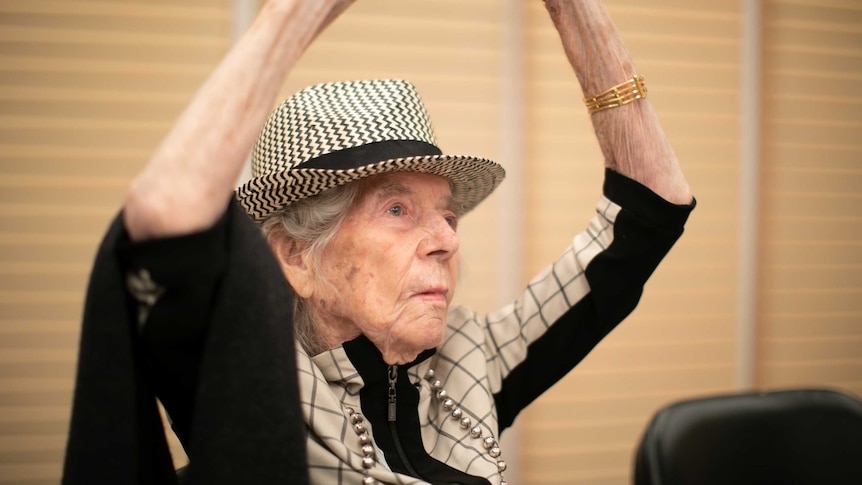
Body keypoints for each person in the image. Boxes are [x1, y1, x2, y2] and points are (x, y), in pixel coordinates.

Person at [63, 0, 694, 484]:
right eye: (397, 209)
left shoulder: (471, 359)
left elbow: (651, 207)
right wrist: (298, 12)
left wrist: (571, 8)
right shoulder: (249, 381)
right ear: (295, 257)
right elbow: (164, 213)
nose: (447, 238)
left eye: (447, 215)